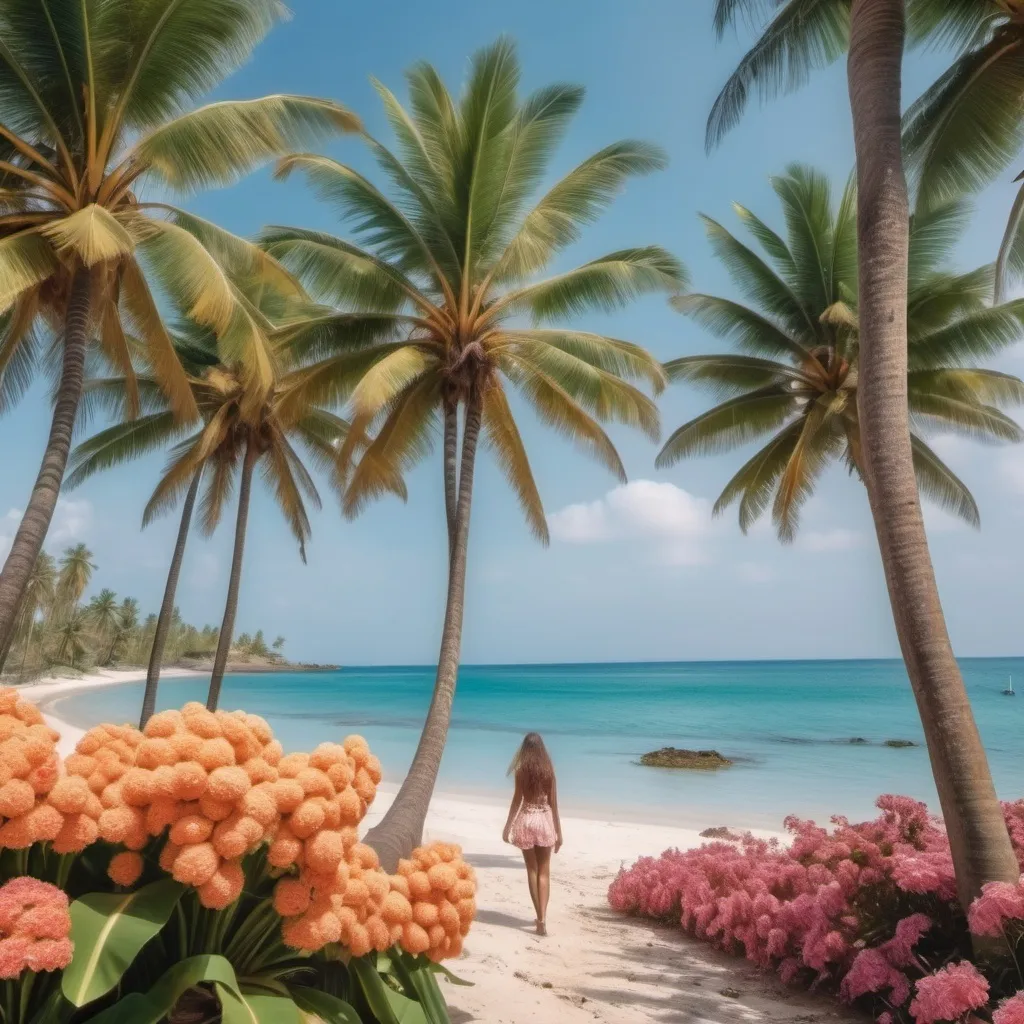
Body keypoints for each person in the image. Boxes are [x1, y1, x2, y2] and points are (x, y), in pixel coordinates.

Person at [502, 732, 562, 935]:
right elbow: (554, 804)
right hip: (544, 820)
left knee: (532, 870)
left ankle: (538, 917)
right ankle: (543, 919)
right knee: (544, 871)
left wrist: (507, 826)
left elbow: (516, 800)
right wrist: (559, 834)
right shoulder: (549, 771)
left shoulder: (521, 771)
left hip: (526, 819)